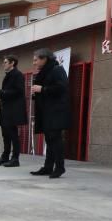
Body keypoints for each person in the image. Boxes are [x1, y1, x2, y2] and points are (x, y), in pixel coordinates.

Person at [29, 49, 70, 178]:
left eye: (36, 59)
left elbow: (62, 87)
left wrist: (42, 89)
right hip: (47, 111)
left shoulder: (57, 69)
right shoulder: (44, 72)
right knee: (50, 140)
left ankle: (60, 167)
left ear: (44, 58)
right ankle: (48, 167)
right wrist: (36, 92)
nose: (34, 62)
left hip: (56, 112)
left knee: (55, 140)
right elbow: (45, 91)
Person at [0, 55, 28, 167]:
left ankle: (15, 158)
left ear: (12, 63)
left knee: (13, 134)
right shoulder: (8, 75)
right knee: (5, 134)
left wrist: (3, 93)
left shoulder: (18, 75)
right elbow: (7, 92)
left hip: (13, 110)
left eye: (5, 62)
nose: (3, 64)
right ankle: (5, 156)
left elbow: (19, 91)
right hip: (5, 109)